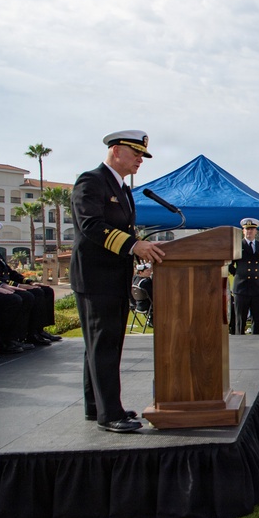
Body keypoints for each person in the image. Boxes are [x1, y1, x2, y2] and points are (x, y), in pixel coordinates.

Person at [71, 130, 165, 432]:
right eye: (135, 153)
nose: (140, 159)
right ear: (115, 150)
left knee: (101, 345)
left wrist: (140, 250)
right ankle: (110, 414)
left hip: (114, 276)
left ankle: (96, 406)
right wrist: (133, 245)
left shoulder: (122, 188)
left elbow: (122, 230)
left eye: (143, 155)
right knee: (104, 345)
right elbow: (91, 225)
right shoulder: (92, 181)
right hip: (96, 277)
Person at [0, 221, 61, 347]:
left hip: (4, 286)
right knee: (22, 298)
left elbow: (11, 273)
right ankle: (11, 338)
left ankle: (37, 330)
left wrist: (29, 282)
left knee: (44, 290)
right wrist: (15, 285)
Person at [228, 217, 259, 335]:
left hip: (257, 287)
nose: (249, 232)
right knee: (241, 319)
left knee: (256, 318)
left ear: (256, 231)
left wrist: (257, 275)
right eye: (247, 229)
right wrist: (240, 274)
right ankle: (240, 343)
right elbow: (230, 264)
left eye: (252, 229)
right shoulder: (237, 245)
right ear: (243, 231)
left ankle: (256, 343)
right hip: (242, 287)